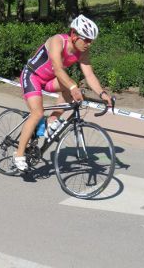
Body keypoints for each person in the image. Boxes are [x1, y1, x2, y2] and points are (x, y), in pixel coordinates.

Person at [13, 14, 113, 172]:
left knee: (71, 85)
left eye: (91, 40)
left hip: (49, 80)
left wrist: (102, 94)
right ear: (74, 35)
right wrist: (73, 87)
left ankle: (51, 121)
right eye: (86, 39)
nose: (89, 44)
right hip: (32, 76)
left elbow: (89, 75)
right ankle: (18, 154)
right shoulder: (57, 41)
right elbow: (58, 69)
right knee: (37, 113)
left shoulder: (82, 52)